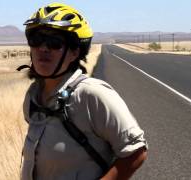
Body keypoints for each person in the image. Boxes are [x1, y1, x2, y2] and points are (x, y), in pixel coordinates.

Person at [18, 2, 148, 180]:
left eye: (54, 42)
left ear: (74, 52)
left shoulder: (92, 94)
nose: (43, 48)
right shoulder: (33, 96)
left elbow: (136, 151)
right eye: (36, 40)